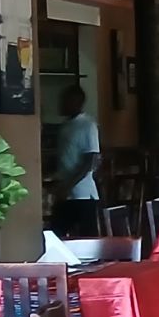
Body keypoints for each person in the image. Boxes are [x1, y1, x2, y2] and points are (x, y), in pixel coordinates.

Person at [51, 85, 101, 237]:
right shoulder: (65, 126)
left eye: (65, 100)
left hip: (82, 194)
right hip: (65, 192)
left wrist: (68, 186)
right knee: (57, 236)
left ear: (76, 102)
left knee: (87, 239)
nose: (61, 104)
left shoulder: (88, 125)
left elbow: (90, 161)